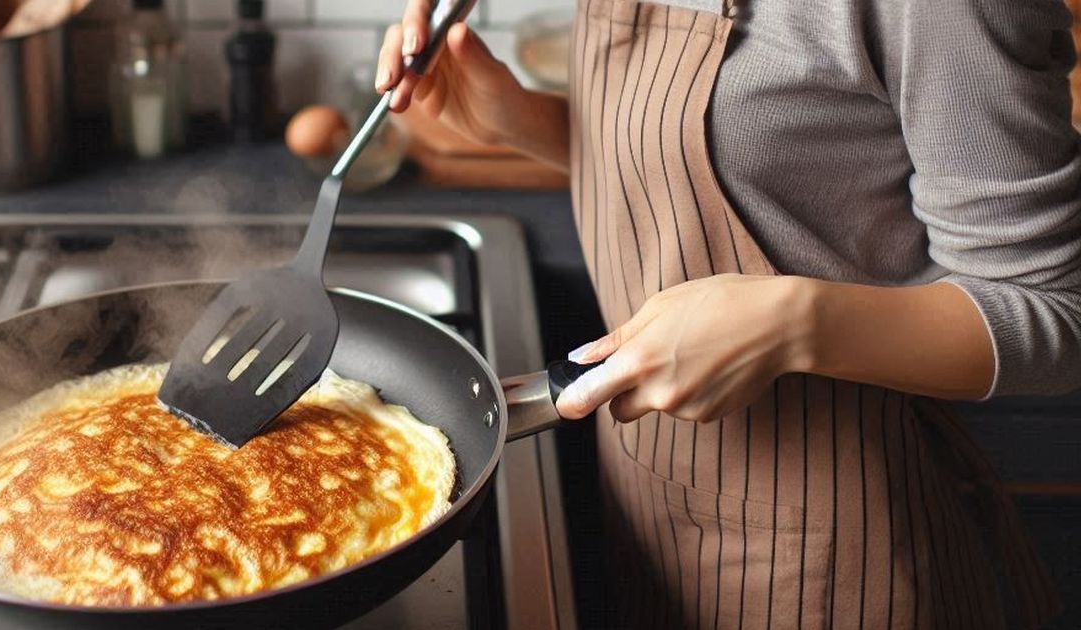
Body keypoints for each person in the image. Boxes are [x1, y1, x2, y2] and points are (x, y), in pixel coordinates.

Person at [376, 0, 1080, 627]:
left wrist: (792, 322)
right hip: (653, 507)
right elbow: (759, 175)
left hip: (834, 558)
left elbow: (1054, 316)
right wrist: (515, 119)